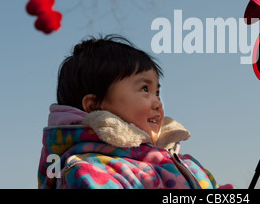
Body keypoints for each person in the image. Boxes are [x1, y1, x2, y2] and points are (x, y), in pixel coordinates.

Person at [38, 34, 233, 189]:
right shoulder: (87, 171)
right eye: (144, 89)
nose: (157, 102)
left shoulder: (187, 165)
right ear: (95, 106)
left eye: (157, 92)